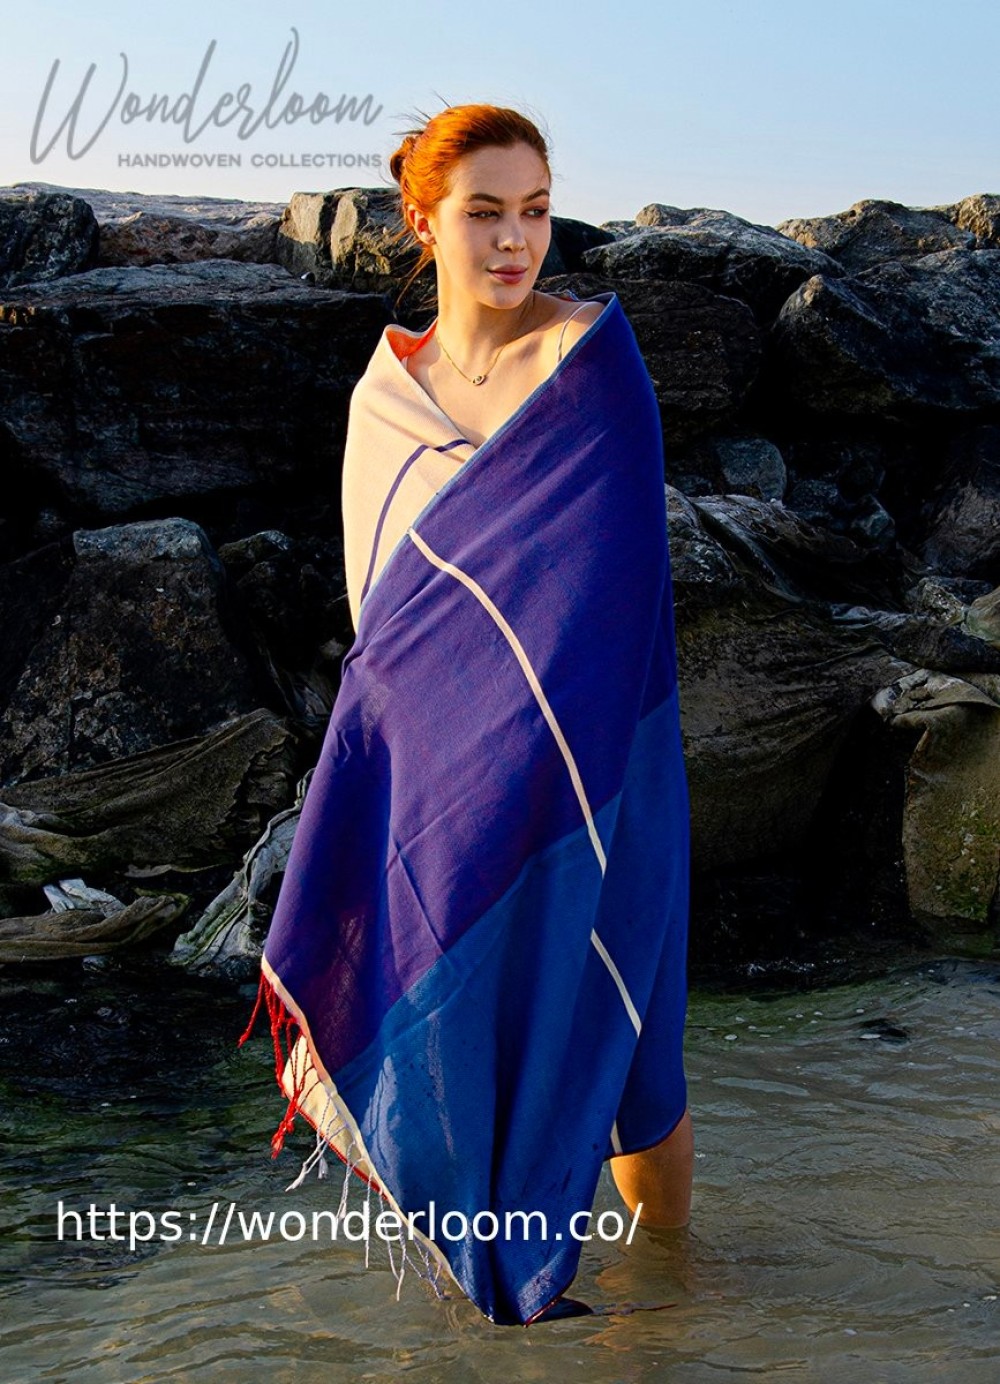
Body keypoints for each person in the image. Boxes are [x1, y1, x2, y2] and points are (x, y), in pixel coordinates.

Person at [245, 101, 693, 1326]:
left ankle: (666, 1304)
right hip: (444, 778)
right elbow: (386, 628)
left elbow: (615, 595)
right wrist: (427, 762)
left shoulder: (591, 363)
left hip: (602, 764)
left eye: (535, 212)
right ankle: (480, 1275)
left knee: (636, 1059)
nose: (514, 241)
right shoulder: (383, 400)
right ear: (422, 219)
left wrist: (543, 743)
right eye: (485, 212)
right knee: (452, 1024)